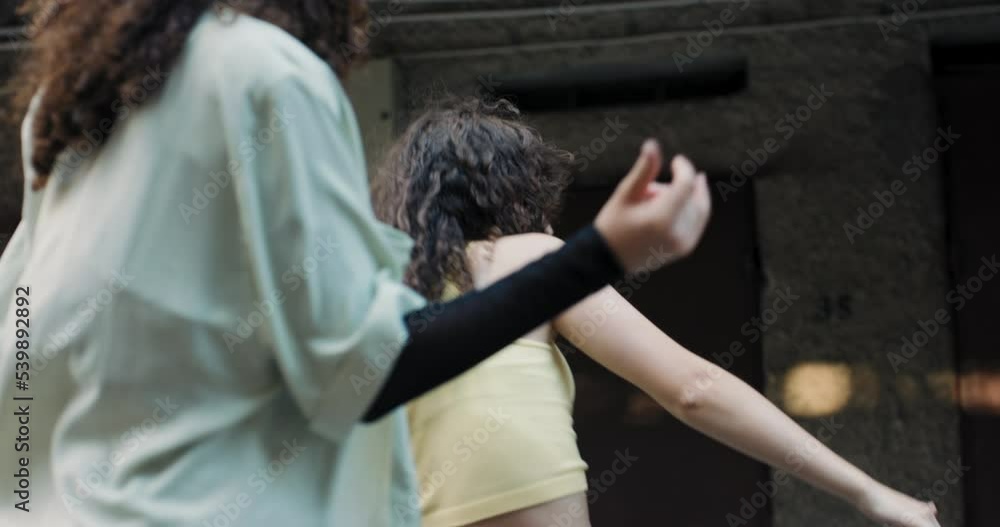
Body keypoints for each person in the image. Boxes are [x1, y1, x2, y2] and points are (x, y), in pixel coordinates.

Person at [0, 2, 712, 526]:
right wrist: (600, 253)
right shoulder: (264, 73)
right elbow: (365, 367)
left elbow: (22, 337)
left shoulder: (64, 114)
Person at [374, 98, 943, 527]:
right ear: (515, 194)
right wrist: (866, 490)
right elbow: (692, 388)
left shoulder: (385, 299)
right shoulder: (526, 258)